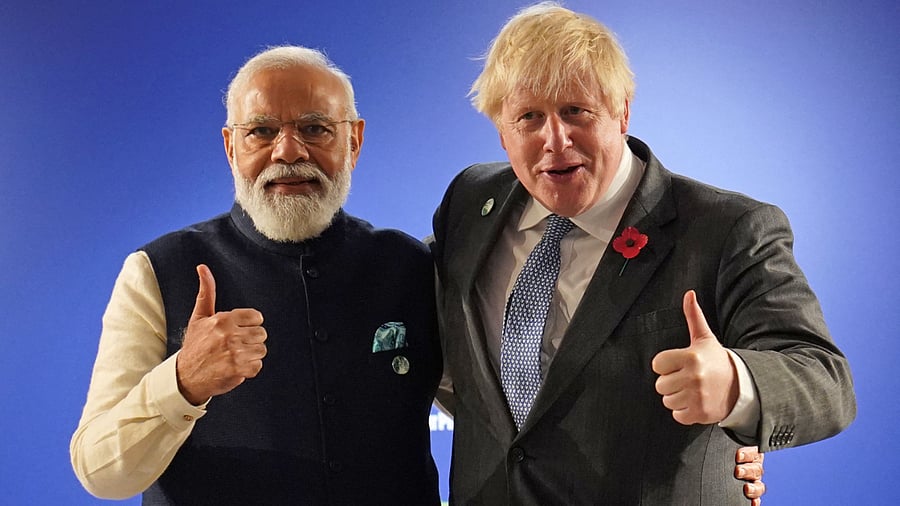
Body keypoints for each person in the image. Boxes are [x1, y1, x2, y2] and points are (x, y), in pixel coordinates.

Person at [430, 3, 855, 504]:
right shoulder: (470, 204)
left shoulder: (727, 230)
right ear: (502, 132)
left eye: (576, 111)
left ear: (622, 112)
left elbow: (826, 383)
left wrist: (736, 386)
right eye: (529, 117)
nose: (555, 140)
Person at [70, 46, 442, 505]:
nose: (288, 151)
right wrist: (182, 382)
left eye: (315, 128)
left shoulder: (412, 266)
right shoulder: (156, 271)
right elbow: (101, 473)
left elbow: (488, 411)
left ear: (354, 141)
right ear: (231, 147)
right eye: (262, 131)